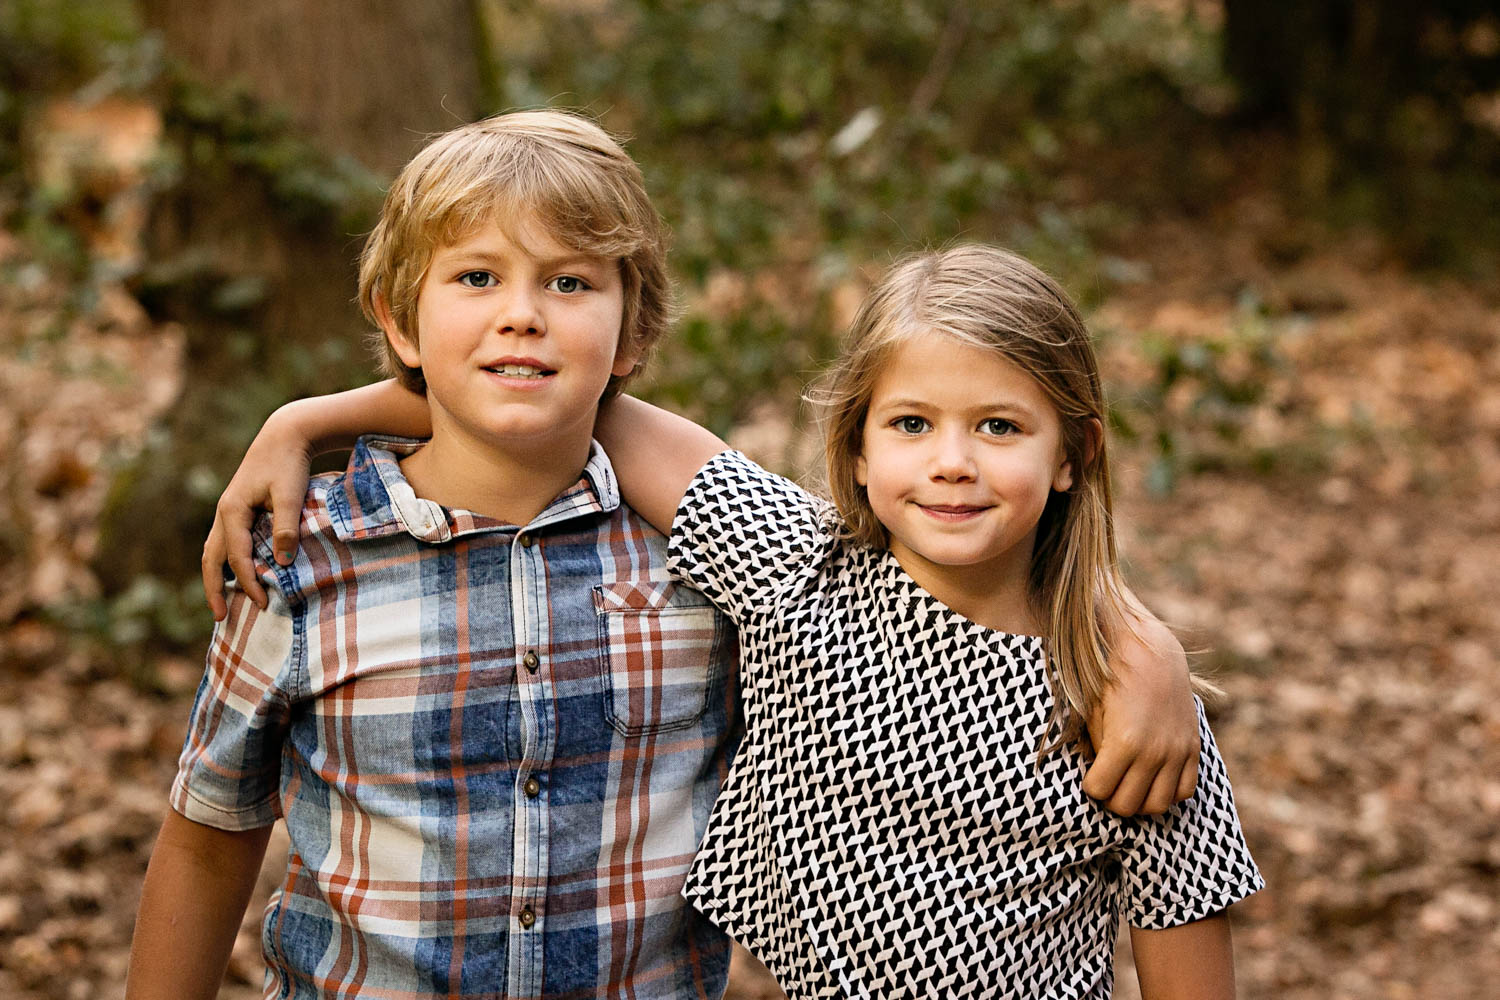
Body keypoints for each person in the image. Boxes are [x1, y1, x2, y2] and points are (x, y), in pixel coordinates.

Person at [185, 125, 1209, 996]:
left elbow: (555, 390)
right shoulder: (788, 572)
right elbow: (530, 391)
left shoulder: (1121, 699)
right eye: (910, 423)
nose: (950, 462)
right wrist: (307, 418)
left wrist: (1131, 637)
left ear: (1072, 454)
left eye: (995, 426)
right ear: (856, 445)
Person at [127, 110, 739, 1000]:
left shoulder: (700, 563)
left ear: (634, 331)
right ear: (401, 323)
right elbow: (206, 839)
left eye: (569, 284)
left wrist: (307, 416)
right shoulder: (304, 560)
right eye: (478, 277)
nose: (521, 315)